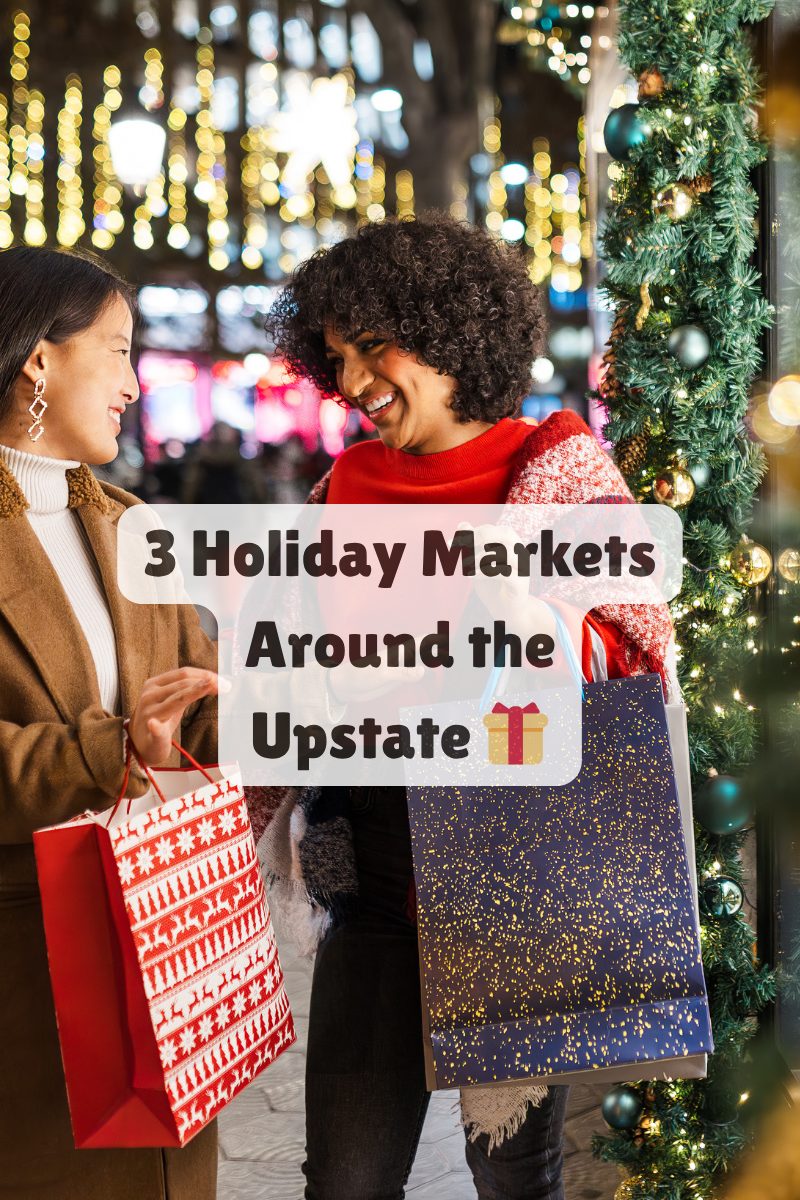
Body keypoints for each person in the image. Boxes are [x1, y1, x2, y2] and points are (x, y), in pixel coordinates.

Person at [257, 214, 675, 1200]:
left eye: (372, 347)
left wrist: (520, 615)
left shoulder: (559, 465)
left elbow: (635, 663)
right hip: (370, 872)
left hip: (514, 870)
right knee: (344, 1182)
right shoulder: (341, 488)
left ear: (446, 332)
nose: (353, 381)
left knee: (511, 1182)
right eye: (335, 358)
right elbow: (294, 672)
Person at [0, 246, 223, 1200]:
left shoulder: (140, 527)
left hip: (167, 940)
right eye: (120, 350)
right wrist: (112, 746)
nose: (137, 384)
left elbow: (190, 722)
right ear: (37, 360)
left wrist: (277, 689)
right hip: (28, 964)